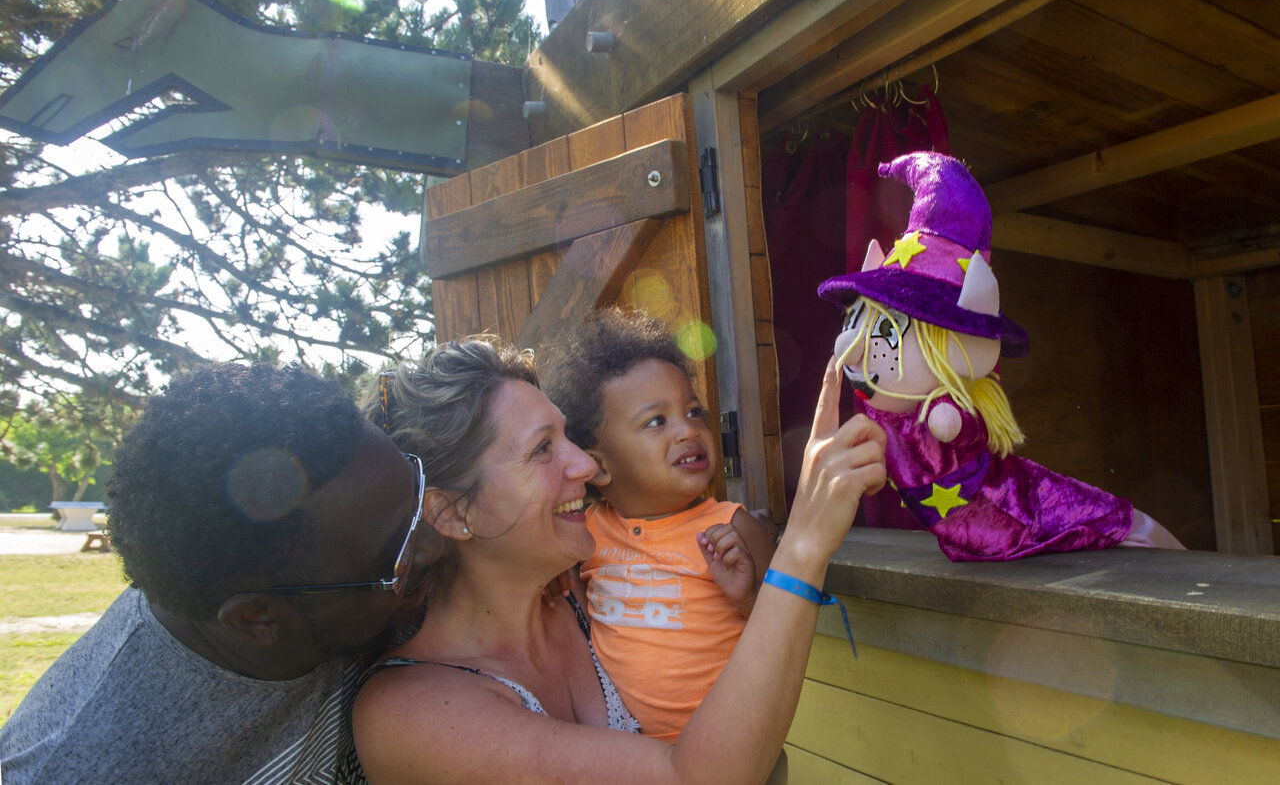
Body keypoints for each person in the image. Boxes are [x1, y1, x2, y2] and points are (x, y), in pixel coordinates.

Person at [355, 334, 886, 784]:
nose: (586, 465)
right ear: (450, 513)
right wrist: (803, 544)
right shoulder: (408, 713)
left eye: (567, 438)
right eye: (543, 449)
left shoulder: (583, 590)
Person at [0, 363, 443, 784]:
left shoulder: (301, 583)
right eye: (398, 553)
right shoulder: (96, 767)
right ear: (258, 619)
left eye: (415, 495)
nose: (435, 545)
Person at [541, 307, 776, 741]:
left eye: (694, 411)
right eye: (656, 421)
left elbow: (784, 634)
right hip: (628, 752)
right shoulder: (586, 532)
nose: (688, 430)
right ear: (599, 467)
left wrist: (747, 598)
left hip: (725, 747)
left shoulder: (732, 528)